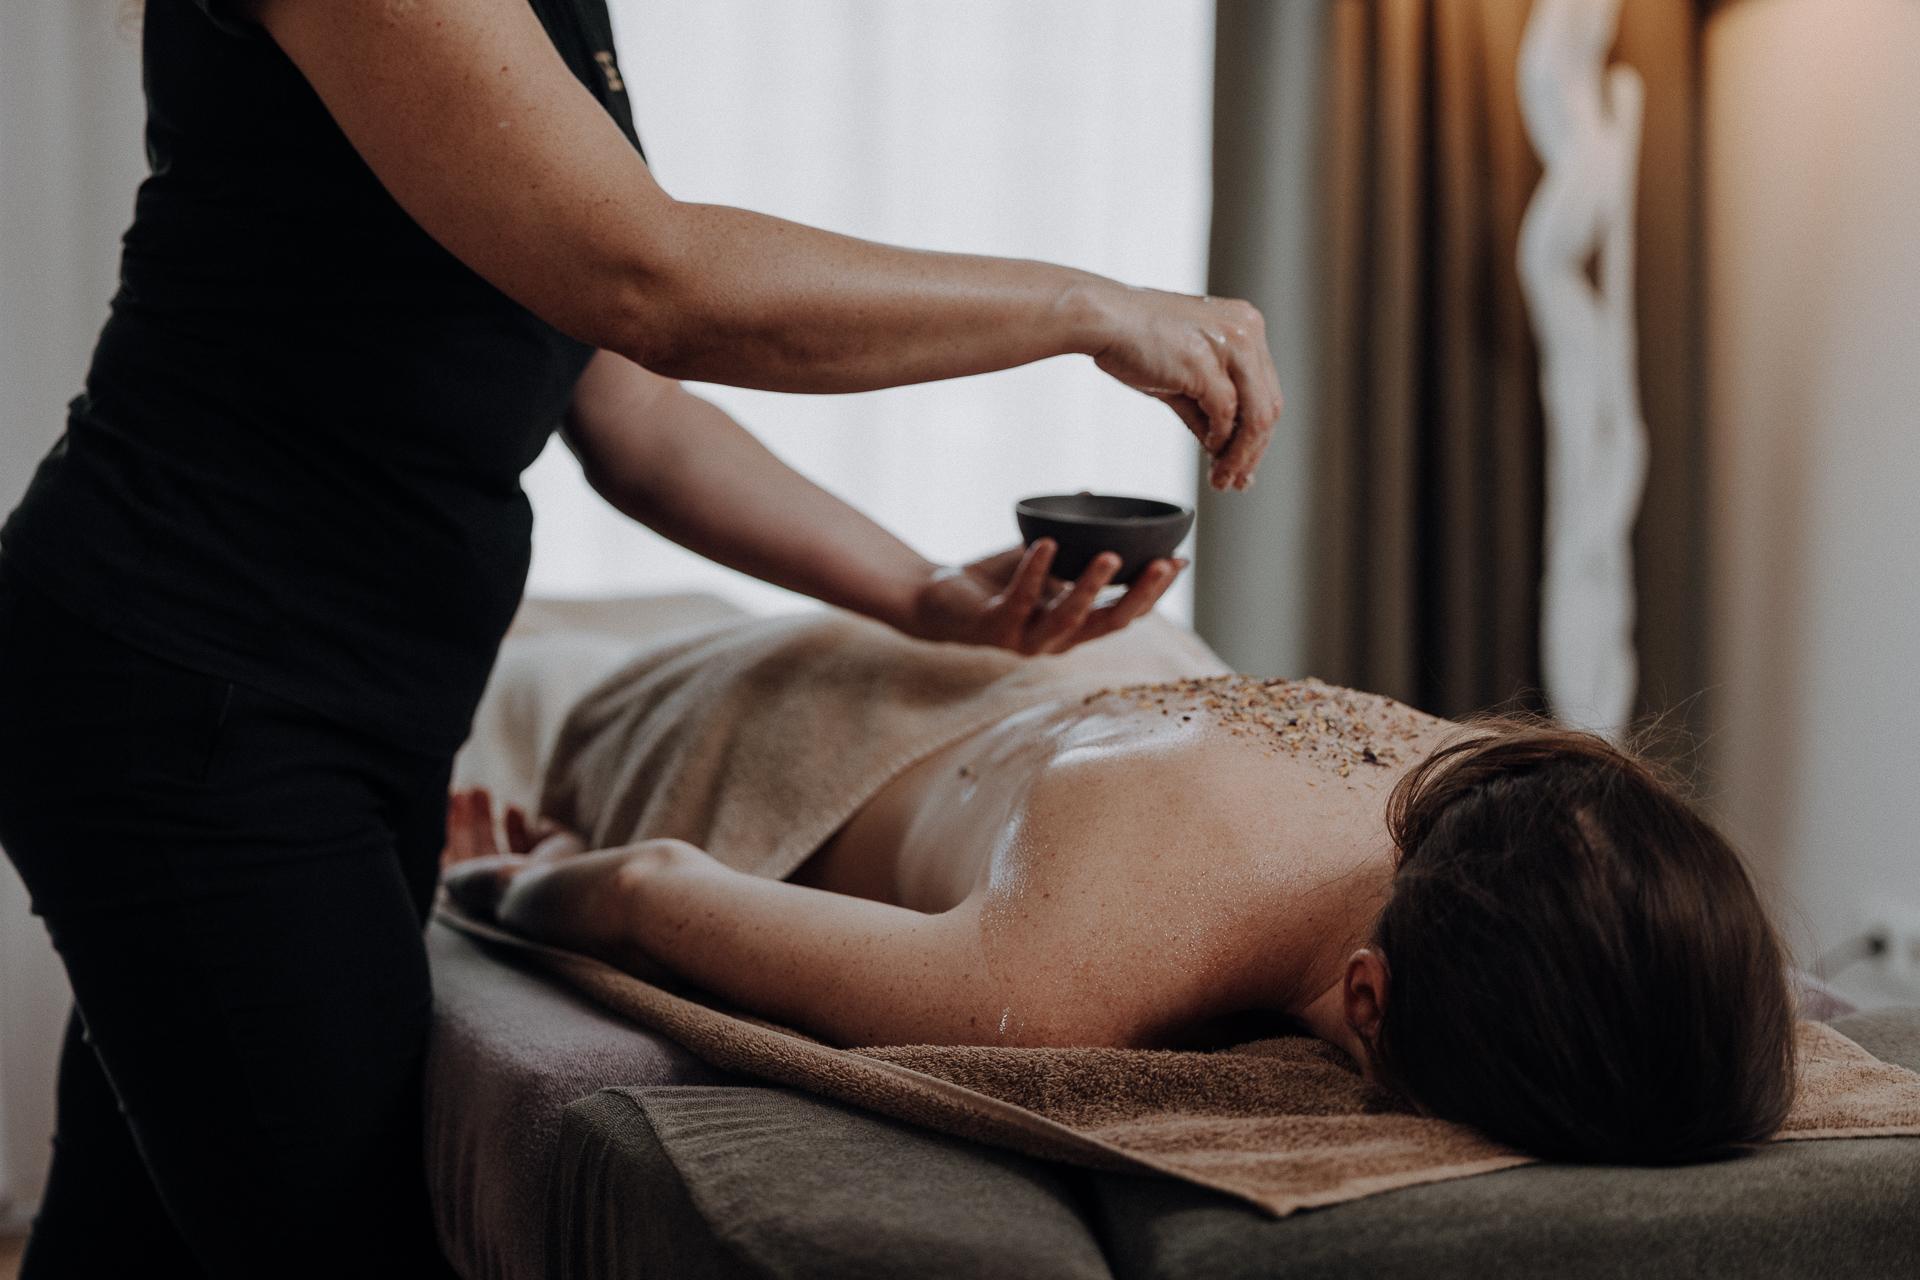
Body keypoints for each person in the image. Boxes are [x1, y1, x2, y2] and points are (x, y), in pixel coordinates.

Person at [0, 0, 1281, 1275]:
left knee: (133, 1241)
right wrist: (1086, 306)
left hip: (332, 703)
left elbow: (631, 403)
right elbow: (652, 282)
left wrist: (922, 591)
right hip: (190, 681)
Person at [442, 609, 1798, 1167]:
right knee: (549, 679)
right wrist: (496, 882)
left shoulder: (1507, 787)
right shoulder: (1067, 971)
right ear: (1370, 1004)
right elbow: (653, 886)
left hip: (1115, 664)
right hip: (795, 724)